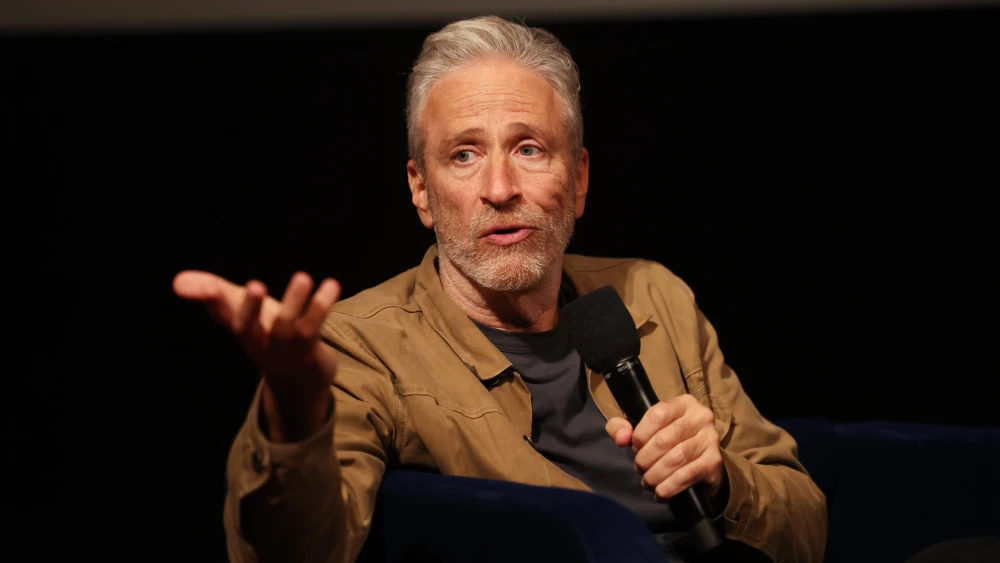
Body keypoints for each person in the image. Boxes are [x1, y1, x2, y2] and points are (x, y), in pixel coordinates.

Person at [173, 15, 827, 563]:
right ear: (421, 190)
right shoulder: (359, 344)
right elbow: (297, 552)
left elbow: (806, 527)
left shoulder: (654, 294)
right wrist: (293, 409)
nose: (499, 188)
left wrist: (721, 481)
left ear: (578, 177)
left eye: (529, 148)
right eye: (463, 155)